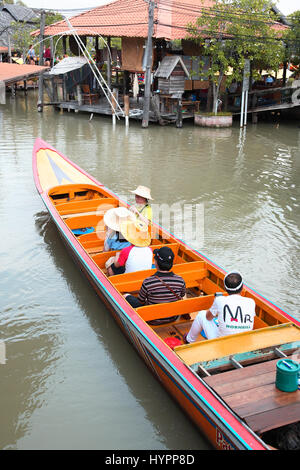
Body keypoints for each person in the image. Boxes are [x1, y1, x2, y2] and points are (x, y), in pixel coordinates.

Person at [185, 271, 256, 343]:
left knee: (201, 315)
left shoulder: (219, 300)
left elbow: (208, 317)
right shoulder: (251, 302)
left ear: (225, 288)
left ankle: (189, 340)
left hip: (222, 344)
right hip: (245, 343)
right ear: (242, 287)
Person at [124, 246, 186, 324]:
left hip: (152, 319)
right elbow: (182, 295)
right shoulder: (180, 280)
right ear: (171, 263)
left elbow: (141, 301)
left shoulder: (148, 281)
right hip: (173, 318)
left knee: (126, 296)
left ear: (156, 263)